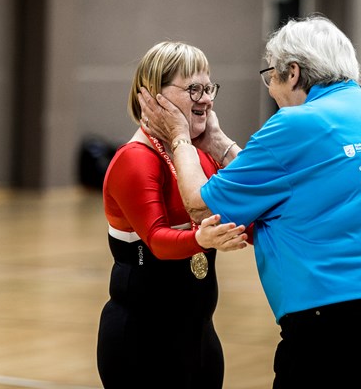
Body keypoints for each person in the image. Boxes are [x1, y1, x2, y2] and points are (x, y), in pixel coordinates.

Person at [139, 15, 361, 389]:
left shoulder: (296, 125)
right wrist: (220, 143)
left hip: (343, 316)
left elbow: (201, 206)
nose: (271, 89)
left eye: (270, 75)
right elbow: (289, 180)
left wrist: (178, 137)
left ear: (292, 72)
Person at [96, 41, 249, 389]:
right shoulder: (134, 160)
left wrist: (220, 144)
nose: (207, 99)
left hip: (199, 338)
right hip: (140, 343)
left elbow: (256, 198)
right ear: (153, 97)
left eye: (209, 87)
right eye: (193, 88)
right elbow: (157, 242)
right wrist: (200, 239)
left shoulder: (198, 157)